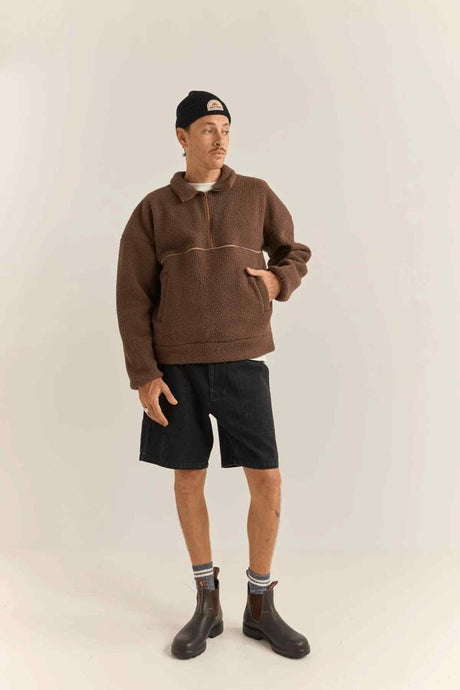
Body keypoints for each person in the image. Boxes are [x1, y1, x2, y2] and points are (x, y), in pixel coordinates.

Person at [116, 90, 312, 659]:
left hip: (242, 358)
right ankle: (207, 602)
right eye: (207, 128)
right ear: (182, 138)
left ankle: (260, 604)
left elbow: (293, 251)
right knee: (188, 479)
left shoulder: (256, 194)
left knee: (267, 479)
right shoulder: (154, 209)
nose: (219, 138)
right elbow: (132, 296)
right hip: (175, 366)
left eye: (225, 128)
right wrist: (144, 373)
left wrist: (278, 281)